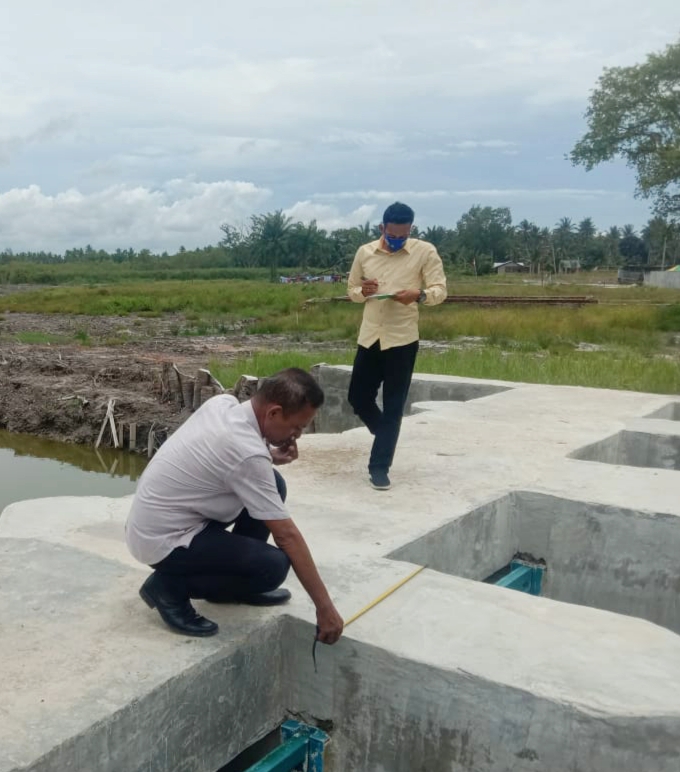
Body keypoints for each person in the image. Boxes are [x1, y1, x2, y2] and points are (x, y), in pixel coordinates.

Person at [125, 367, 344, 644]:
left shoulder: (224, 404)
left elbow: (234, 455)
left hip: (161, 519)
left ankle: (236, 586)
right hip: (163, 540)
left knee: (274, 484)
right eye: (297, 426)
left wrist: (270, 456)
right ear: (274, 413)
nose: (298, 434)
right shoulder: (247, 454)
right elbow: (286, 535)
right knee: (273, 567)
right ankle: (169, 587)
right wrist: (325, 608)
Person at [347, 202, 447, 490]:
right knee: (358, 397)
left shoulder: (424, 251)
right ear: (382, 228)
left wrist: (419, 294)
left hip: (402, 340)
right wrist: (362, 292)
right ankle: (386, 437)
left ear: (410, 230)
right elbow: (352, 290)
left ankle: (379, 467)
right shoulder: (365, 252)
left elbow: (440, 290)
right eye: (392, 236)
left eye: (402, 236)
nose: (396, 241)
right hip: (370, 337)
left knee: (393, 406)